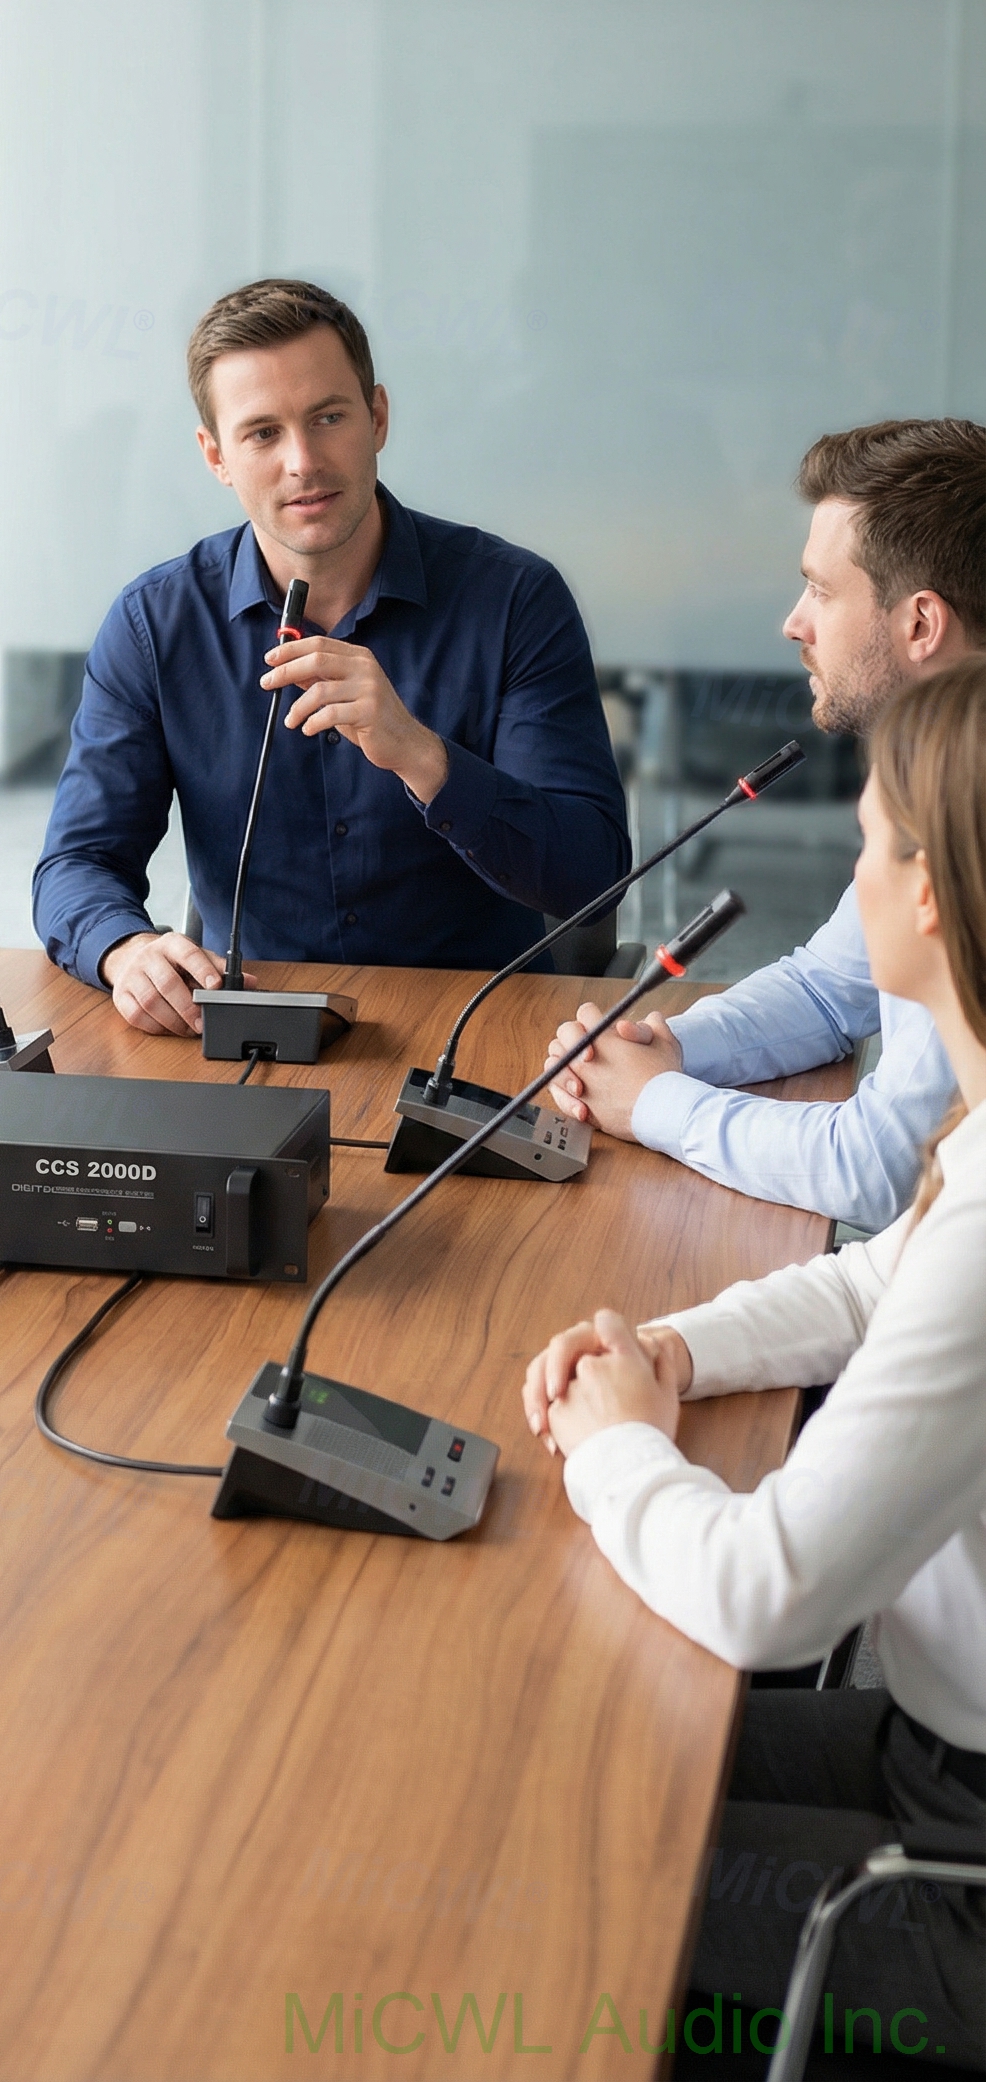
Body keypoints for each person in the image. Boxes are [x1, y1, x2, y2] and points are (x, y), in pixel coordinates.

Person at [523, 659, 986, 2069]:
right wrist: (673, 1350)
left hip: (957, 1872)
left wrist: (614, 1447)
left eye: (868, 835)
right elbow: (877, 1279)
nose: (850, 862)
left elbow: (764, 1599)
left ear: (926, 893)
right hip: (929, 1746)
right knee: (570, 1755)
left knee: (543, 1871)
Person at [33, 278, 628, 1035]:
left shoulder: (515, 600)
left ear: (377, 417)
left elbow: (594, 876)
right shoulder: (155, 624)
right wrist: (125, 950)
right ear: (216, 456)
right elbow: (75, 865)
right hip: (248, 1030)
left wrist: (422, 756)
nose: (303, 461)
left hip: (475, 1034)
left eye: (328, 417)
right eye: (262, 434)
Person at [544, 420, 986, 1228]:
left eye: (821, 589)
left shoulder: (973, 819)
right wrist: (669, 1049)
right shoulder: (946, 767)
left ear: (920, 624)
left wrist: (657, 1107)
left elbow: (885, 1165)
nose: (794, 622)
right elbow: (829, 990)